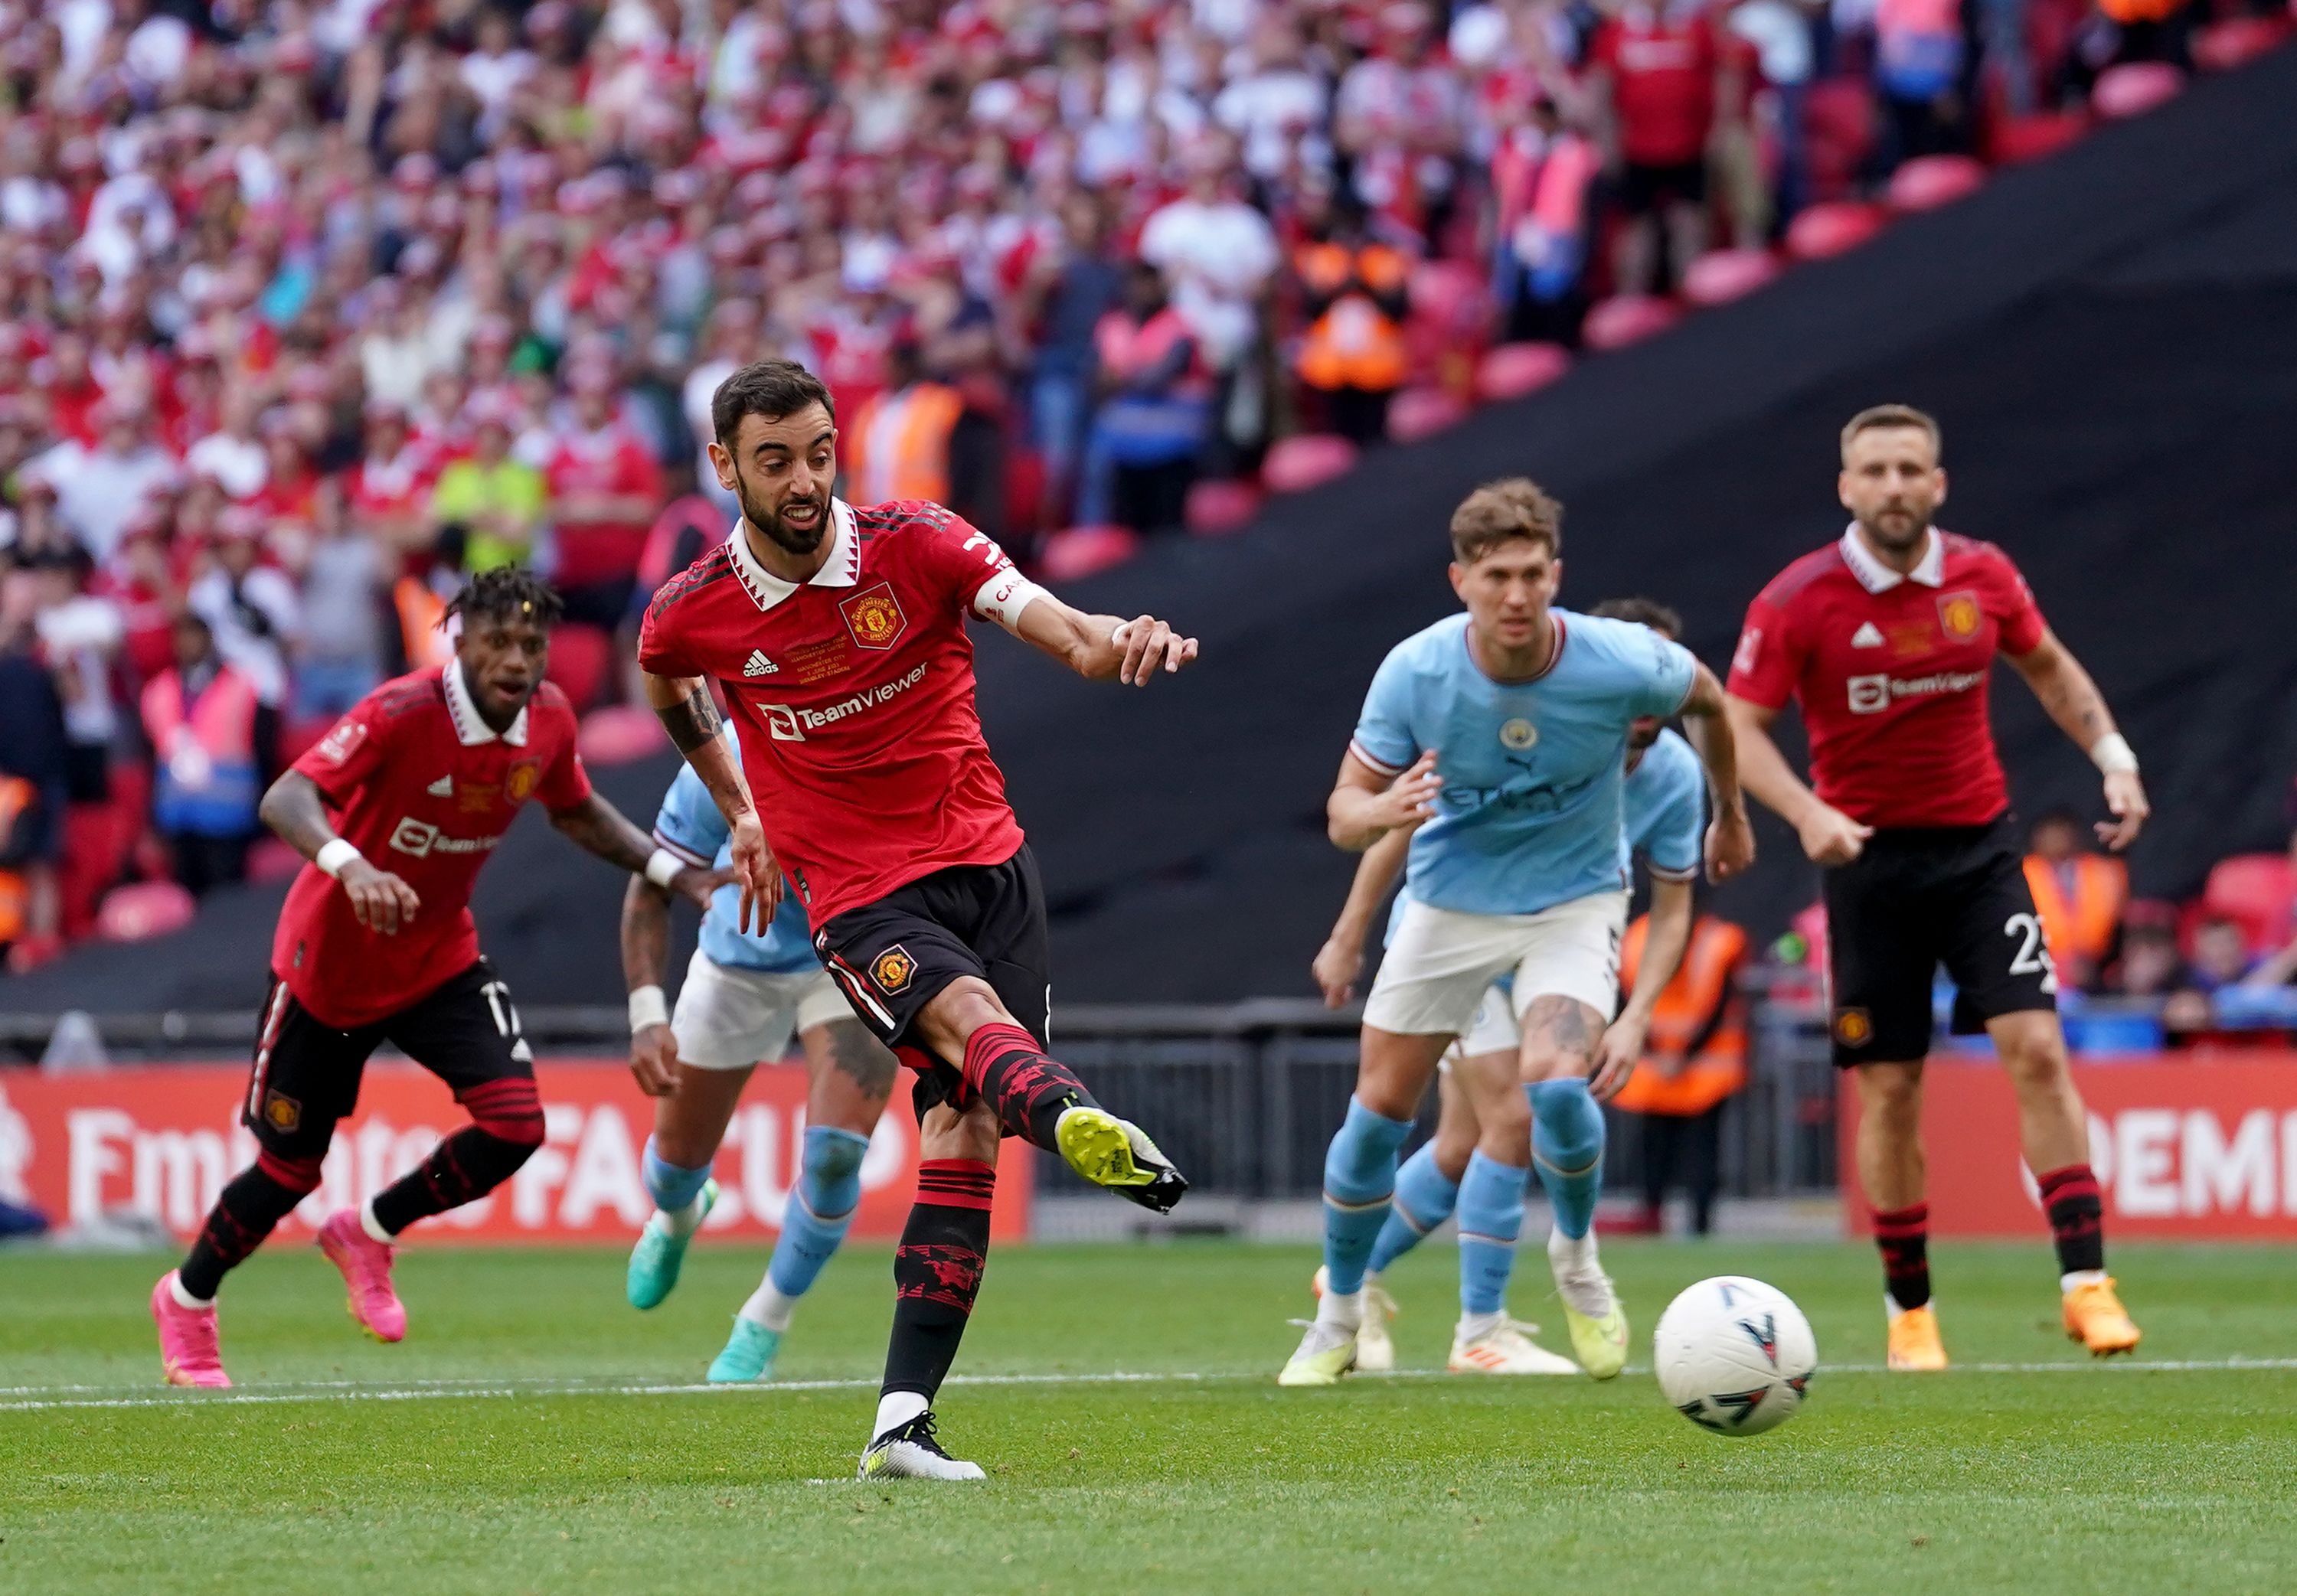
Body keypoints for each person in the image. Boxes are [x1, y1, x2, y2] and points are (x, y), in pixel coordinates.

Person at [637, 359, 1196, 1481]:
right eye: (775, 461)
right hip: (857, 895)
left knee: (964, 1130)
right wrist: (739, 804)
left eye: (818, 451)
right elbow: (668, 685)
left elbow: (1071, 635)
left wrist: (1123, 635)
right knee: (975, 1025)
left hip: (993, 865)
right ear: (724, 467)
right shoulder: (690, 613)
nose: (804, 481)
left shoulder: (921, 542)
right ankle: (1064, 1104)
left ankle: (901, 1421)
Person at [149, 569, 717, 1389]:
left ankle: (369, 1231)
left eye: (531, 644)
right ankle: (186, 1298)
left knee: (518, 1125)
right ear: (459, 640)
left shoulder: (550, 718)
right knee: (287, 1171)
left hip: (435, 960)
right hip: (330, 968)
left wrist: (673, 869)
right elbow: (287, 797)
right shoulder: (400, 712)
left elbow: (575, 809)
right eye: (498, 641)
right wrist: (352, 867)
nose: (516, 660)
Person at [1279, 481, 1754, 1388]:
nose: (1516, 594)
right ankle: (1337, 1315)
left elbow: (1711, 696)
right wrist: (1378, 813)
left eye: (1533, 573)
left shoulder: (1623, 663)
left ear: (1556, 575)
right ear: (1461, 580)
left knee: (1552, 1091)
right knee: (1378, 1118)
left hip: (1573, 905)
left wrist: (1730, 813)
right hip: (1449, 908)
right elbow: (1349, 817)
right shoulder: (1415, 673)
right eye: (1497, 575)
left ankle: (1573, 1265)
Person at [1721, 403, 2150, 1369]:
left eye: (1911, 469)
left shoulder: (1982, 575)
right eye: (1875, 471)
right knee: (1892, 1088)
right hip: (1866, 864)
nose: (1895, 487)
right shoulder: (1797, 600)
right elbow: (1738, 728)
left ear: (1939, 483)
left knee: (2037, 1049)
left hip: (1977, 855)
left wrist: (2112, 755)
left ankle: (2088, 1285)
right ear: (1847, 487)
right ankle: (1909, 1307)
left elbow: (2048, 666)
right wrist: (1808, 814)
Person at [620, 723, 903, 1384]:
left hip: (852, 958)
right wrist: (645, 1014)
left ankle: (764, 1321)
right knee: (673, 1168)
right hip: (737, 966)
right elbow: (650, 884)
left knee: (837, 1154)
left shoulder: (891, 736)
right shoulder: (721, 761)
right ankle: (679, 1212)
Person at [1609, 906, 1750, 1235]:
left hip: (1670, 1068)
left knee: (1666, 1151)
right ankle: (1688, 1222)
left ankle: (1660, 1217)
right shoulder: (1719, 939)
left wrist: (1662, 1053)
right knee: (1694, 1151)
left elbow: (1626, 1001)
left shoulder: (1637, 937)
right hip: (1698, 1068)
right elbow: (1722, 1005)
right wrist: (1681, 1055)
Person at [140, 609, 262, 896]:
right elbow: (150, 756)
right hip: (179, 813)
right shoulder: (159, 690)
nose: (188, 644)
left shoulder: (240, 685)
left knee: (229, 895)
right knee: (188, 895)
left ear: (209, 640)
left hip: (227, 814)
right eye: (182, 637)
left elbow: (259, 744)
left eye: (195, 636)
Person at [2022, 807, 2126, 992]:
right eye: (2050, 832)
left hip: (2097, 970)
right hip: (2036, 969)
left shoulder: (2105, 872)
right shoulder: (2021, 873)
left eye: (2062, 831)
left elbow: (2117, 924)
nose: (2056, 838)